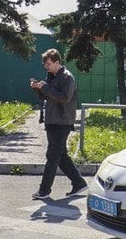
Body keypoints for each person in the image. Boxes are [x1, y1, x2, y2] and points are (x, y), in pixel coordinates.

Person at [29, 49, 88, 200]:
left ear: (57, 62)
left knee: (52, 156)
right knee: (61, 156)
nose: (46, 67)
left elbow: (64, 98)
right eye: (45, 64)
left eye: (48, 64)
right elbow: (48, 96)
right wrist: (38, 88)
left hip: (62, 122)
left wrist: (45, 87)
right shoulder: (52, 76)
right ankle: (79, 182)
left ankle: (44, 190)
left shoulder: (67, 77)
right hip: (52, 121)